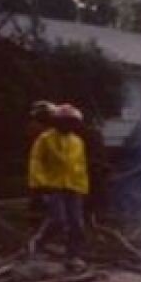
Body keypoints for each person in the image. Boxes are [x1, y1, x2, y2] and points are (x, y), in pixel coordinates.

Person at [27, 104, 89, 268]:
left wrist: (83, 188)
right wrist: (40, 183)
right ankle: (39, 242)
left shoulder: (77, 142)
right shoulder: (45, 138)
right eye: (66, 122)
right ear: (58, 122)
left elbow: (80, 166)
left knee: (77, 223)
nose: (69, 125)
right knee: (58, 219)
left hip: (74, 187)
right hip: (52, 185)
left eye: (73, 122)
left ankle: (73, 256)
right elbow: (36, 161)